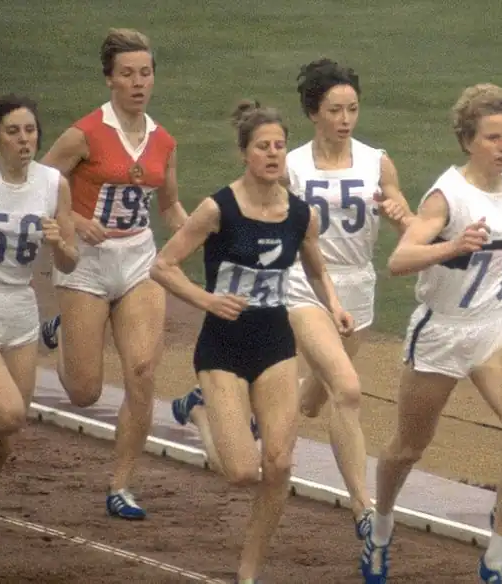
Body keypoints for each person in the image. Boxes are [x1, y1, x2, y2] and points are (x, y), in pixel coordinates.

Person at [171, 58, 413, 540]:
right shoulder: (291, 164)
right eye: (335, 109)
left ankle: (209, 407)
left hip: (355, 289)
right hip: (301, 286)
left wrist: (401, 213)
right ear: (313, 113)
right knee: (346, 386)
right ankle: (363, 510)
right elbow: (266, 217)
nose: (345, 119)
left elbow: (401, 212)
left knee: (314, 401)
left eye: (353, 109)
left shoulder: (376, 160)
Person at [150, 100, 347, 583]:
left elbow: (315, 262)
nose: (274, 154)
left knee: (278, 464)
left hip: (275, 341)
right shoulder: (219, 208)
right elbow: (162, 265)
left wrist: (334, 303)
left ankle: (249, 572)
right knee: (242, 472)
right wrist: (207, 300)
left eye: (280, 145)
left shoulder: (299, 213)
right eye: (264, 146)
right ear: (245, 153)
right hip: (223, 345)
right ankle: (198, 410)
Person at [360, 83, 502, 584]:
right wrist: (452, 246)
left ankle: (496, 559)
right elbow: (401, 260)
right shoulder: (447, 194)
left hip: (497, 331)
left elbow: (499, 253)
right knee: (407, 448)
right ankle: (379, 528)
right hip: (441, 333)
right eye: (493, 137)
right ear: (468, 141)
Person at [37, 28, 188, 520]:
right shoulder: (84, 135)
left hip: (139, 261)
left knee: (142, 370)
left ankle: (122, 485)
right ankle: (61, 330)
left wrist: (205, 234)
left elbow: (169, 205)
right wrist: (76, 221)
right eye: (127, 74)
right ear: (109, 80)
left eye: (145, 73)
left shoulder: (164, 141)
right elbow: (39, 186)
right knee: (85, 392)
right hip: (85, 264)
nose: (138, 82)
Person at [0, 95, 79, 510]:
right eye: (13, 131)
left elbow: (69, 259)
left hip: (20, 310)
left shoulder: (52, 184)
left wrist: (59, 243)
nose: (24, 139)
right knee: (8, 414)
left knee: (1, 444)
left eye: (30, 130)